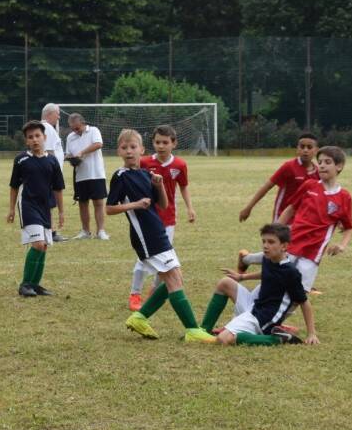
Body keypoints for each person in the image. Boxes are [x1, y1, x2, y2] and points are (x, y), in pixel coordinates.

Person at [106, 129, 214, 343]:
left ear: (141, 150)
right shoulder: (120, 176)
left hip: (159, 231)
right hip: (146, 237)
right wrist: (135, 205)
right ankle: (192, 330)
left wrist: (160, 185)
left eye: (133, 147)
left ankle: (140, 317)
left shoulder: (147, 174)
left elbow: (163, 204)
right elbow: (109, 209)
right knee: (173, 278)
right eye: (124, 148)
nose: (129, 151)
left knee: (175, 278)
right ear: (119, 151)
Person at [240, 146, 352, 293]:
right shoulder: (309, 185)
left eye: (327, 162)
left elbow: (349, 226)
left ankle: (246, 259)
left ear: (339, 166)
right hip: (293, 240)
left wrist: (342, 245)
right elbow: (290, 209)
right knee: (274, 278)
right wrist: (276, 230)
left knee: (300, 292)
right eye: (320, 162)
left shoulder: (344, 197)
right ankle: (247, 264)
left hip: (313, 252)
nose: (322, 165)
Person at [199, 223, 318, 346]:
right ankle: (203, 330)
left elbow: (303, 301)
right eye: (264, 241)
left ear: (284, 246)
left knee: (223, 339)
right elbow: (267, 273)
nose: (266, 246)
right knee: (225, 283)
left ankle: (277, 339)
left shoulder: (290, 272)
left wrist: (311, 333)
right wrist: (242, 277)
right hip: (255, 306)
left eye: (271, 242)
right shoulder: (269, 258)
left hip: (264, 318)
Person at [127, 125, 196, 311]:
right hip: (148, 219)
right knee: (143, 259)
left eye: (165, 142)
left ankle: (153, 293)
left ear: (174, 143)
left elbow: (183, 187)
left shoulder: (180, 165)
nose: (161, 146)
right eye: (157, 142)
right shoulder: (144, 162)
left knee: (165, 262)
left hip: (168, 220)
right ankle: (135, 295)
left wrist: (190, 208)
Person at [237, 133, 319, 271]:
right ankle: (247, 259)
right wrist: (249, 207)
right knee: (277, 249)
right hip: (283, 214)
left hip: (303, 217)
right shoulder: (289, 167)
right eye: (302, 146)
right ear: (297, 149)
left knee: (297, 249)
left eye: (309, 147)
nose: (305, 150)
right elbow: (267, 186)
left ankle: (296, 279)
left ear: (316, 150)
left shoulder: (317, 172)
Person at [8, 120, 66, 297]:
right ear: (26, 141)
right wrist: (11, 209)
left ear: (44, 137)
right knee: (38, 244)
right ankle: (25, 285)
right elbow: (14, 186)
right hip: (27, 206)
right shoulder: (21, 160)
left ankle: (35, 284)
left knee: (45, 246)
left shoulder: (52, 160)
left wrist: (62, 212)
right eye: (30, 137)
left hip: (45, 207)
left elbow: (58, 188)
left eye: (37, 136)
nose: (34, 140)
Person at [64, 112, 109, 240]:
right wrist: (70, 159)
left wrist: (82, 153)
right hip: (80, 175)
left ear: (83, 123)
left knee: (98, 202)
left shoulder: (94, 131)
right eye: (72, 128)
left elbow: (98, 144)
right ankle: (85, 231)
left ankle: (100, 231)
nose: (75, 131)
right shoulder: (70, 137)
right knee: (82, 203)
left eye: (77, 128)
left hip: (96, 173)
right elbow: (68, 153)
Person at [40, 103, 68, 242]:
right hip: (50, 173)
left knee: (48, 202)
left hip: (46, 172)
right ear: (49, 114)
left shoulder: (42, 127)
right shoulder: (48, 128)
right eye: (57, 113)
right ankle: (50, 232)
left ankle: (49, 230)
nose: (59, 116)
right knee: (49, 203)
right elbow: (49, 152)